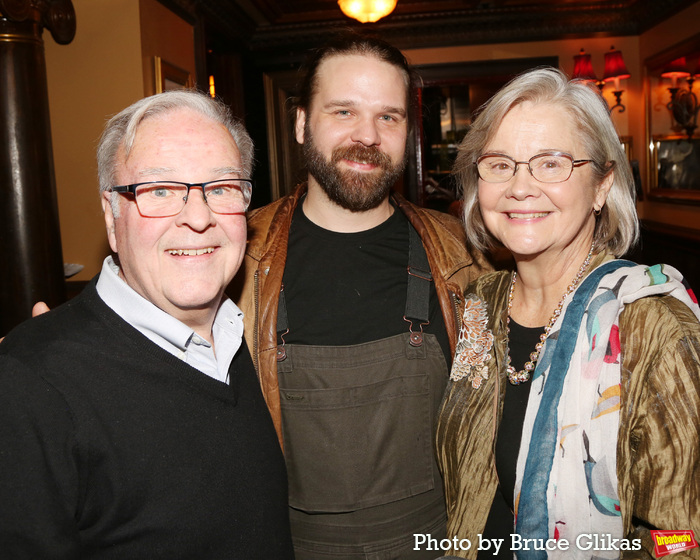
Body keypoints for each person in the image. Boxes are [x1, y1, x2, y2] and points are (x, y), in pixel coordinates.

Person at [0, 90, 294, 559]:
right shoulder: (31, 384)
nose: (198, 218)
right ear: (111, 217)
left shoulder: (241, 336)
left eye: (220, 188)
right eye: (159, 191)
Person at [232, 32, 491, 558]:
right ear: (302, 123)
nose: (367, 135)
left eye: (388, 117)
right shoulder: (235, 255)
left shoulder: (465, 254)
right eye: (344, 111)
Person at [436, 67, 700, 559]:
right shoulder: (480, 302)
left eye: (551, 163)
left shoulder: (651, 325)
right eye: (499, 164)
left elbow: (684, 536)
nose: (520, 187)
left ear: (602, 185)